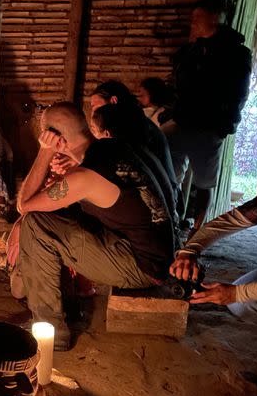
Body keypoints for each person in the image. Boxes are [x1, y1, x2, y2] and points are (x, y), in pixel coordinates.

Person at [16, 103, 176, 350]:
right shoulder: (112, 146)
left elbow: (25, 205)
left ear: (54, 136)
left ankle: (52, 333)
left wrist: (45, 152)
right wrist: (69, 163)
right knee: (59, 215)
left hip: (143, 267)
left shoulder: (85, 176)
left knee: (36, 225)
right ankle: (68, 309)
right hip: (153, 249)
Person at [169, 160, 257, 348]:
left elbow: (238, 294)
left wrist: (237, 293)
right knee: (243, 306)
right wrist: (189, 250)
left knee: (241, 298)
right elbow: (228, 222)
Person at [169, 0, 252, 232]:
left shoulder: (235, 54)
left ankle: (197, 230)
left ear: (215, 18)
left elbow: (239, 92)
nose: (192, 23)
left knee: (204, 180)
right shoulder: (192, 51)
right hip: (183, 120)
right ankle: (173, 220)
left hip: (209, 124)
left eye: (198, 17)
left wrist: (226, 123)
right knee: (170, 172)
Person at [89, 80, 178, 210]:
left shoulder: (133, 129)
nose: (92, 114)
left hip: (160, 204)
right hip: (160, 199)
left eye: (95, 107)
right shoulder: (135, 121)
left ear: (113, 101)